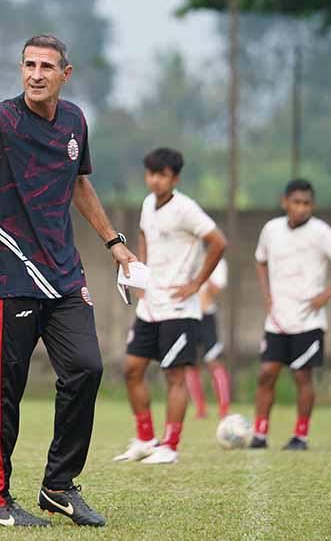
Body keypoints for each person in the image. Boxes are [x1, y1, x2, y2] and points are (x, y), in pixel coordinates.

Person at [0, 34, 136, 528]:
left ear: (66, 74)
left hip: (64, 274)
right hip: (12, 274)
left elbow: (79, 181)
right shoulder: (3, 119)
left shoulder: (75, 121)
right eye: (29, 65)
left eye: (46, 66)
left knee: (87, 368)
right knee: (3, 391)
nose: (36, 74)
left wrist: (113, 242)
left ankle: (58, 485)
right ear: (21, 70)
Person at [113, 148, 226, 465]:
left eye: (161, 174)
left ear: (174, 178)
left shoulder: (187, 209)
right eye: (150, 173)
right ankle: (147, 439)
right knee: (132, 369)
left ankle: (171, 446)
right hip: (150, 305)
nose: (154, 180)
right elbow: (143, 235)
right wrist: (141, 272)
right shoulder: (148, 204)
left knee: (174, 376)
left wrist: (197, 284)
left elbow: (219, 241)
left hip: (179, 309)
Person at [251, 179, 331, 450]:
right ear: (284, 202)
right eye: (296, 202)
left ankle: (301, 436)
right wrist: (266, 295)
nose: (301, 208)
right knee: (266, 373)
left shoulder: (320, 232)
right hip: (277, 319)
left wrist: (327, 295)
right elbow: (260, 261)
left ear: (312, 205)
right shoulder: (271, 229)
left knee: (302, 376)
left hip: (308, 320)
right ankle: (260, 434)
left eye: (306, 203)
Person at [185, 258, 232, 420]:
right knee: (190, 364)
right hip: (188, 316)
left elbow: (214, 290)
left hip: (206, 318)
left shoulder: (218, 262)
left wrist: (204, 272)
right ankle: (200, 409)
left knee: (214, 362)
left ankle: (224, 409)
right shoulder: (187, 256)